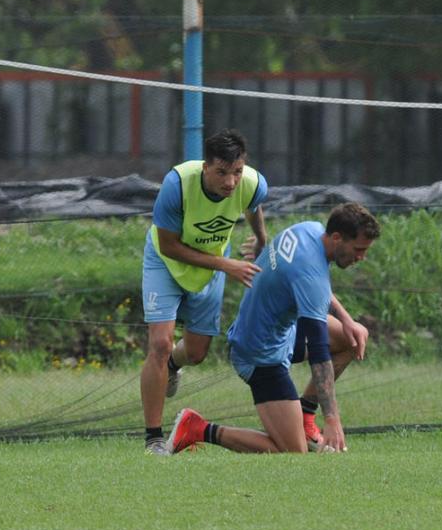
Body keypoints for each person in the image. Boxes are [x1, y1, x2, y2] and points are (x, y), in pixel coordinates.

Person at [166, 202, 380, 455]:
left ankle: (305, 418)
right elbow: (320, 351)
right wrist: (332, 419)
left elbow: (315, 288)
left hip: (281, 333)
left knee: (350, 339)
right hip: (259, 355)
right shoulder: (309, 270)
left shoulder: (309, 231)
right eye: (358, 249)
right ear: (336, 237)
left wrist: (346, 320)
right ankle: (198, 428)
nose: (361, 257)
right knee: (293, 451)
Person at [140, 129, 268, 455]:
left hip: (211, 268)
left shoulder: (253, 183)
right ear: (205, 168)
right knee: (159, 343)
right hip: (166, 263)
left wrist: (262, 242)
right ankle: (154, 439)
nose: (230, 182)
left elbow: (254, 209)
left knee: (196, 353)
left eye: (237, 172)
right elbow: (169, 246)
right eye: (222, 173)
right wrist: (226, 265)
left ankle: (172, 365)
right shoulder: (177, 185)